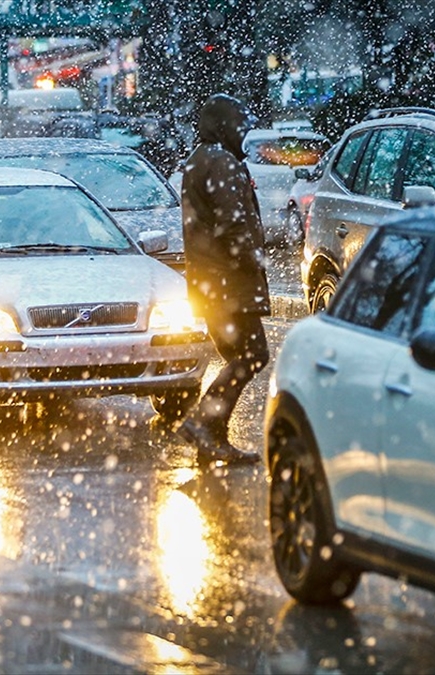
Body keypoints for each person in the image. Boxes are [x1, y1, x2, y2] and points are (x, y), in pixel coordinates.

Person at [175, 94, 269, 465]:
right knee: (252, 355)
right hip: (229, 281)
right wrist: (251, 260)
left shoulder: (198, 160)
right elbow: (233, 225)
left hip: (208, 281)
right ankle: (202, 424)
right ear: (223, 125)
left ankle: (212, 438)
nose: (243, 131)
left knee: (237, 356)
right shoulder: (222, 163)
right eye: (238, 123)